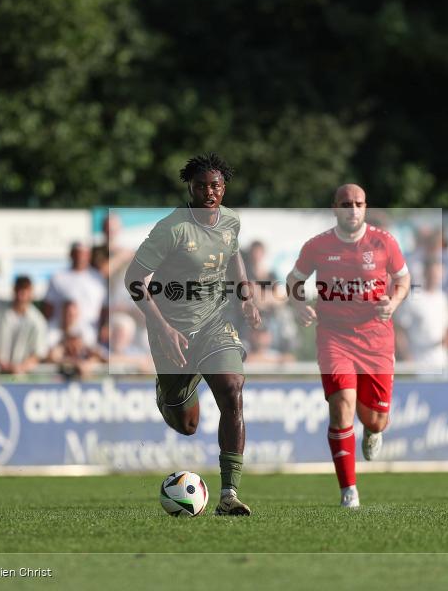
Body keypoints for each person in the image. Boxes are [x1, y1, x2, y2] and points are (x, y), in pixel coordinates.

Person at [124, 152, 261, 516]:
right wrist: (162, 326)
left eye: (215, 185)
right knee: (187, 425)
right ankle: (166, 393)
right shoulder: (172, 229)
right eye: (201, 185)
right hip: (172, 333)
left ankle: (229, 493)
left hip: (215, 324)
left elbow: (232, 255)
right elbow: (133, 280)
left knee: (232, 389)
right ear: (190, 187)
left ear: (224, 187)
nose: (208, 192)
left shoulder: (231, 221)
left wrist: (245, 294)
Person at [285, 184, 411, 508]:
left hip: (376, 339)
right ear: (335, 208)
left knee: (375, 419)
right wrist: (299, 305)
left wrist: (393, 302)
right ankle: (348, 491)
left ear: (365, 207)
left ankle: (373, 430)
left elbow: (404, 280)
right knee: (342, 405)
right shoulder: (318, 246)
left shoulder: (384, 242)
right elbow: (293, 279)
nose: (352, 210)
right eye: (345, 204)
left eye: (358, 204)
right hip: (334, 337)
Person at [396, 260, 448, 374]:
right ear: (425, 273)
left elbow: (447, 328)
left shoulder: (443, 298)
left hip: (442, 363)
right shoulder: (413, 297)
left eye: (438, 273)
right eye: (432, 272)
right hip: (419, 362)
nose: (435, 276)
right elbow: (399, 330)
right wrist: (407, 357)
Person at [43, 241, 106, 343]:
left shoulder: (98, 278)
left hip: (89, 334)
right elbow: (48, 308)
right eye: (77, 254)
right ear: (71, 254)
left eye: (84, 254)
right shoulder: (58, 277)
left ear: (89, 256)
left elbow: (104, 308)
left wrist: (103, 328)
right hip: (59, 335)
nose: (80, 258)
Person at [0, 276, 48, 375]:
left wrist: (20, 368)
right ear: (14, 290)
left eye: (25, 291)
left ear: (31, 293)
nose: (21, 295)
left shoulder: (37, 321)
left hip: (21, 375)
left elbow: (38, 354)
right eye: (19, 290)